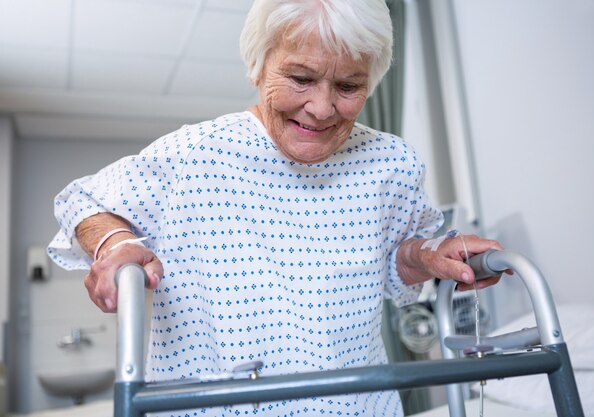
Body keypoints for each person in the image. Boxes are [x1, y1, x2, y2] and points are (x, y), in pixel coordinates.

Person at [48, 0, 504, 416]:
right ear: (257, 65)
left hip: (357, 403)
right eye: (301, 79)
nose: (322, 108)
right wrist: (115, 242)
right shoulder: (193, 154)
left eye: (348, 86)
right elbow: (81, 199)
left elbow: (393, 261)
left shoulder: (391, 163)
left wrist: (426, 257)